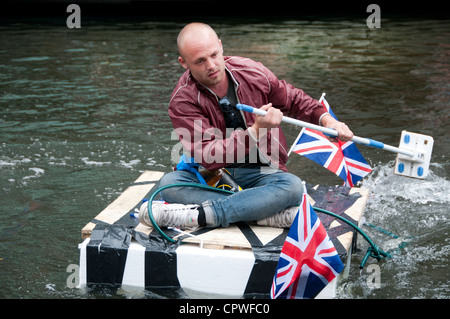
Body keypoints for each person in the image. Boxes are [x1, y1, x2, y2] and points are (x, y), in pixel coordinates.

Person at [139, 22, 353, 229]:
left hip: (263, 172)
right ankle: (257, 212)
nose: (211, 66)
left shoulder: (252, 71)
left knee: (292, 187)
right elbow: (208, 154)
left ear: (221, 46)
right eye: (200, 61)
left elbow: (294, 99)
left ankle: (208, 215)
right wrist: (256, 131)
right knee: (170, 184)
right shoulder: (182, 100)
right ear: (183, 63)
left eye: (214, 55)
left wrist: (327, 120)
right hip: (216, 174)